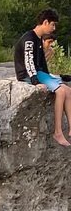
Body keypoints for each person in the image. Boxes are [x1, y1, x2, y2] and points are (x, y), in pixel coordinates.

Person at [14, 8, 71, 148]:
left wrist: (55, 78)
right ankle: (57, 132)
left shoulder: (38, 39)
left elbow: (41, 65)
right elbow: (29, 62)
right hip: (28, 75)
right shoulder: (29, 39)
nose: (54, 28)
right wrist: (35, 81)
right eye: (53, 24)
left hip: (39, 73)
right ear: (45, 22)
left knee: (68, 90)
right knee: (61, 91)